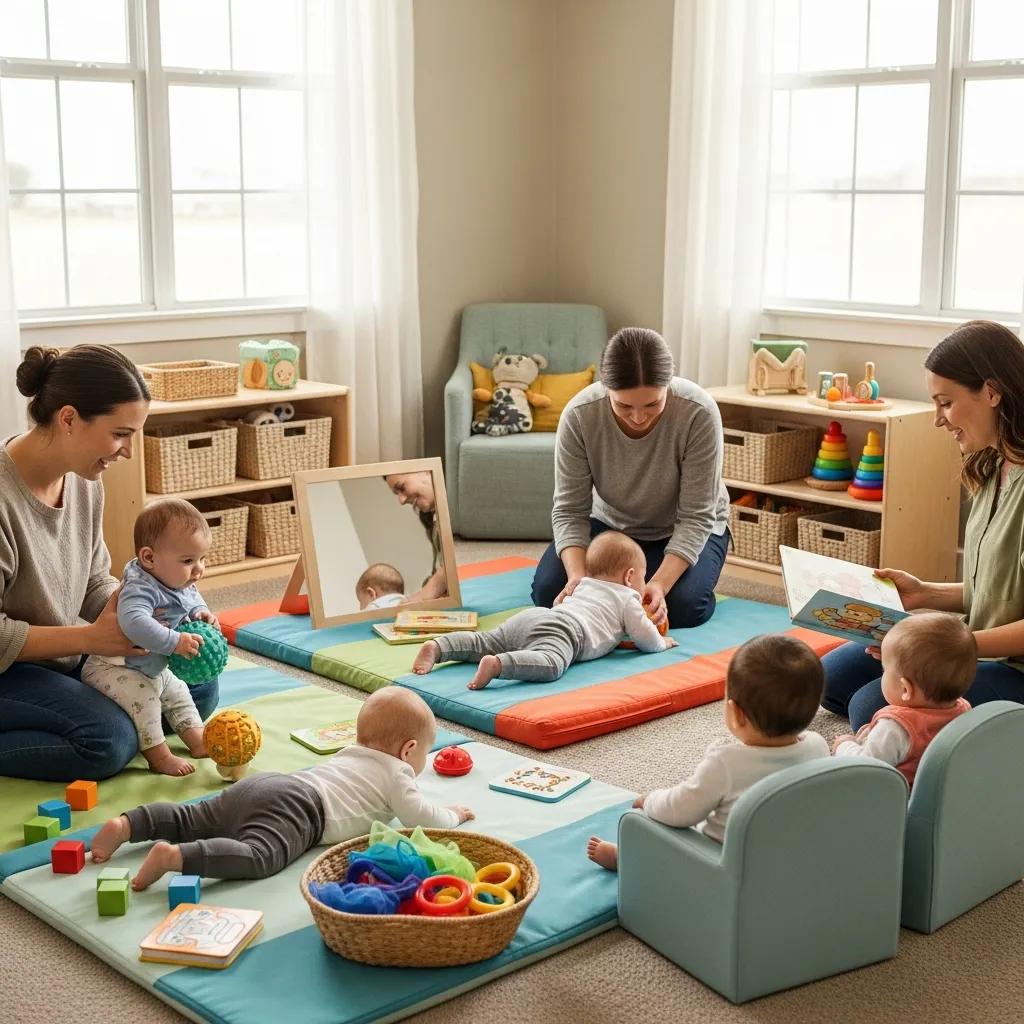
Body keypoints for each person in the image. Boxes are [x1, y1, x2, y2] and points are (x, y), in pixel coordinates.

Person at [0, 346, 221, 783]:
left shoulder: (83, 483)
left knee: (199, 686)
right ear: (68, 419)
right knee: (109, 742)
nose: (128, 452)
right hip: (12, 668)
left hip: (71, 652)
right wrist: (91, 637)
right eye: (120, 434)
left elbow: (95, 582)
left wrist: (161, 615)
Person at [823, 320, 1024, 729]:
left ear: (991, 392)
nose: (938, 419)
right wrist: (925, 594)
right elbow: (1003, 589)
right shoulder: (993, 463)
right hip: (974, 641)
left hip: (1014, 667)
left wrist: (950, 647)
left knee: (872, 709)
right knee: (833, 677)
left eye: (945, 403)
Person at [89, 688, 475, 889]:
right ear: (409, 749)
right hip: (301, 811)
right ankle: (175, 858)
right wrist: (453, 815)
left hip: (271, 782)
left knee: (194, 816)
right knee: (259, 855)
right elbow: (419, 817)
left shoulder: (350, 751)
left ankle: (128, 825)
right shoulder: (398, 773)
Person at [532, 327, 730, 629]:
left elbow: (696, 516)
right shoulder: (580, 415)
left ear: (668, 386)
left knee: (684, 607)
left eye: (652, 404)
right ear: (606, 388)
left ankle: (672, 575)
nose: (639, 417)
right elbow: (570, 509)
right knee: (549, 593)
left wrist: (660, 585)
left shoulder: (698, 413)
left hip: (683, 525)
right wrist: (578, 578)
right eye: (624, 406)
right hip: (611, 524)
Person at [587, 633, 829, 870]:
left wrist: (649, 800)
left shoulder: (727, 762)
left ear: (736, 714)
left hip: (722, 868)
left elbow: (679, 809)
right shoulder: (818, 746)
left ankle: (629, 859)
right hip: (786, 862)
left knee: (648, 823)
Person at [414, 531, 676, 690]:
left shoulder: (582, 583)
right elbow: (642, 634)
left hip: (539, 615)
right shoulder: (628, 597)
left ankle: (438, 647)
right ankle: (499, 665)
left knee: (487, 640)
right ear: (630, 577)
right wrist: (661, 642)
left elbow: (563, 607)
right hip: (569, 633)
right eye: (644, 578)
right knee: (551, 664)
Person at [81, 499, 221, 777]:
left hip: (150, 667)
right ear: (149, 558)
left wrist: (201, 612)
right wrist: (175, 642)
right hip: (113, 667)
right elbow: (134, 623)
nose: (199, 570)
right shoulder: (140, 587)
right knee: (146, 700)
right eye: (188, 561)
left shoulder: (176, 578)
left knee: (180, 692)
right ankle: (158, 756)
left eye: (202, 559)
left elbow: (191, 597)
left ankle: (197, 739)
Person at [832, 613, 974, 785]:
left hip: (901, 799)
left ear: (905, 689)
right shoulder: (964, 708)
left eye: (884, 670)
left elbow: (866, 768)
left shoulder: (894, 728)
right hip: (940, 790)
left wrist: (844, 745)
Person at [384, 472, 447, 601]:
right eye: (397, 494)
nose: (401, 501)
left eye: (402, 487)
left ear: (427, 473)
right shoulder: (432, 520)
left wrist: (427, 593)